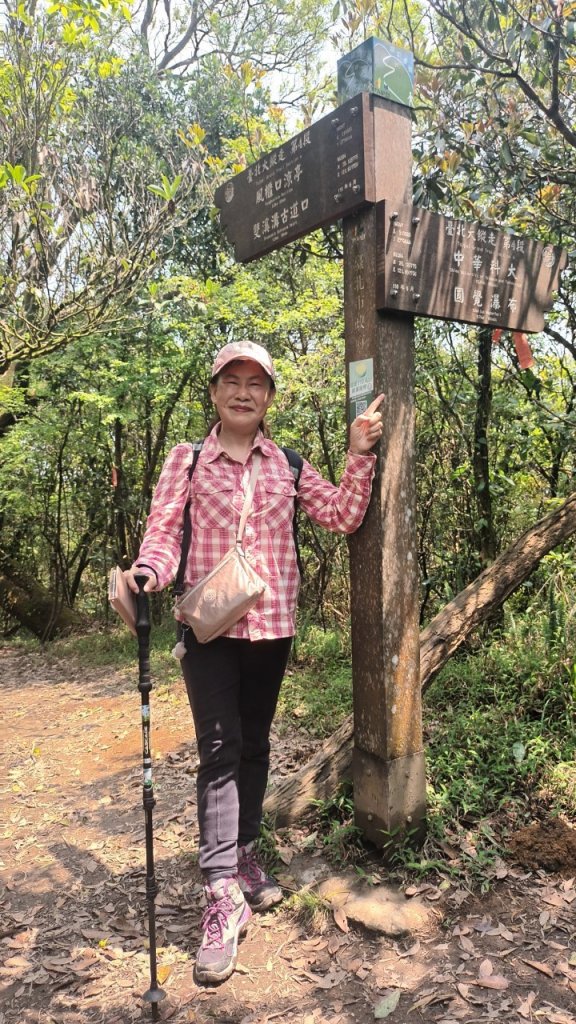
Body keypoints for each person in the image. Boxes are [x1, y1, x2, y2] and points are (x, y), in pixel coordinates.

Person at [125, 340, 383, 985]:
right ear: (214, 392)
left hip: (271, 627)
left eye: (256, 383)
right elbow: (162, 533)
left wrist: (357, 454)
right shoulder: (186, 461)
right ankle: (221, 893)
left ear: (269, 396)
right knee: (219, 748)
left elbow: (343, 516)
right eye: (231, 381)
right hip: (210, 626)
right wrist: (148, 573)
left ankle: (242, 854)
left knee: (255, 748)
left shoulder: (287, 464)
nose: (243, 392)